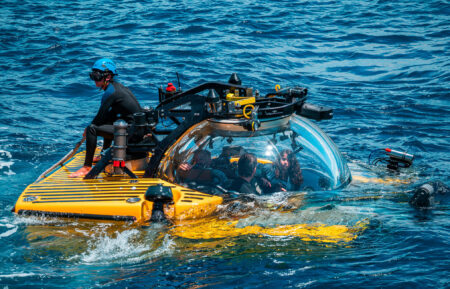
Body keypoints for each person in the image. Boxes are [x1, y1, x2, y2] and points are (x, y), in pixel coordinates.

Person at [69, 58, 142, 178]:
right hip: (137, 130)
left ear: (107, 77)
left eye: (97, 76)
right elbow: (108, 117)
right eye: (93, 76)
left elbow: (99, 118)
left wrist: (87, 131)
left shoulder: (110, 93)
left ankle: (87, 167)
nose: (94, 80)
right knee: (109, 119)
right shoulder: (117, 88)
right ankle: (104, 153)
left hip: (132, 134)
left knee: (92, 128)